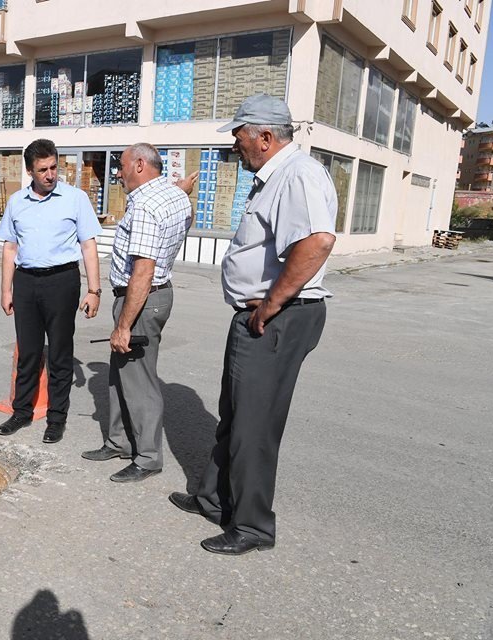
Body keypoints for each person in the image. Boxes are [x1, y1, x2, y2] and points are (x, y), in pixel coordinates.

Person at [168, 94, 337, 555]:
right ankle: (214, 499)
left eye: (240, 136)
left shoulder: (297, 174)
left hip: (277, 318)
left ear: (265, 137)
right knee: (236, 415)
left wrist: (269, 306)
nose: (236, 145)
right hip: (260, 316)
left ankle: (253, 527)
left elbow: (317, 242)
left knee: (254, 427)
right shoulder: (274, 177)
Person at [81, 143, 191, 482]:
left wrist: (123, 325)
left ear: (141, 165)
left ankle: (147, 457)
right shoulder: (173, 195)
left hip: (140, 298)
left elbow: (143, 270)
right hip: (154, 295)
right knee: (120, 373)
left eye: (123, 166)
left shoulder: (144, 205)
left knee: (140, 381)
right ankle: (119, 441)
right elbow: (174, 199)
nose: (118, 172)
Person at [0, 139, 103, 444]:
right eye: (43, 169)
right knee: (27, 352)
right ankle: (21, 411)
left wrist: (94, 290)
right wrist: (6, 290)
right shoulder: (16, 202)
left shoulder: (75, 198)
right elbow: (9, 247)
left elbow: (88, 245)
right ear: (30, 171)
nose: (51, 174)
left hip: (62, 281)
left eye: (54, 167)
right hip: (27, 282)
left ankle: (56, 418)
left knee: (59, 353)